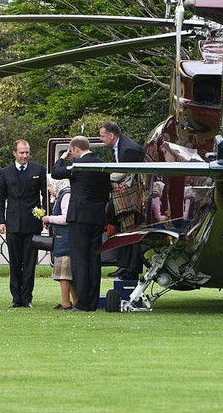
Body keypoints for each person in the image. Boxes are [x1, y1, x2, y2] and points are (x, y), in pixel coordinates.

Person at [51, 136, 111, 311]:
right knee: (94, 260)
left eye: (73, 151)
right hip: (97, 217)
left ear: (75, 149)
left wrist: (63, 158)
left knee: (80, 260)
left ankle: (82, 303)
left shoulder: (77, 166)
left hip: (79, 218)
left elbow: (55, 173)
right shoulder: (102, 165)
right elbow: (106, 190)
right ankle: (92, 302)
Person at [0, 139, 48, 308]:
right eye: (22, 153)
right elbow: (0, 199)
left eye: (27, 152)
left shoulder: (38, 170)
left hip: (32, 224)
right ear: (14, 153)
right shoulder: (5, 172)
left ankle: (27, 298)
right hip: (13, 224)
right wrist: (1, 221)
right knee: (15, 262)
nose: (25, 155)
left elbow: (45, 195)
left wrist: (44, 215)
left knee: (30, 263)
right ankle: (15, 298)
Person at [98, 121, 146, 280]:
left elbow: (126, 173)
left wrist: (104, 176)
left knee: (130, 232)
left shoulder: (129, 149)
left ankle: (130, 268)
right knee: (122, 231)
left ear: (111, 135)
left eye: (102, 136)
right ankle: (123, 266)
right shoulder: (118, 147)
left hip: (130, 198)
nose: (101, 139)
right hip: (122, 196)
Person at [42, 177, 77, 310]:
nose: (49, 189)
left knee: (64, 275)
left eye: (50, 186)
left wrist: (49, 218)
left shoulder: (66, 195)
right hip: (62, 239)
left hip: (65, 241)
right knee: (67, 275)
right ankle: (76, 301)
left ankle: (66, 303)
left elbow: (66, 218)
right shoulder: (62, 195)